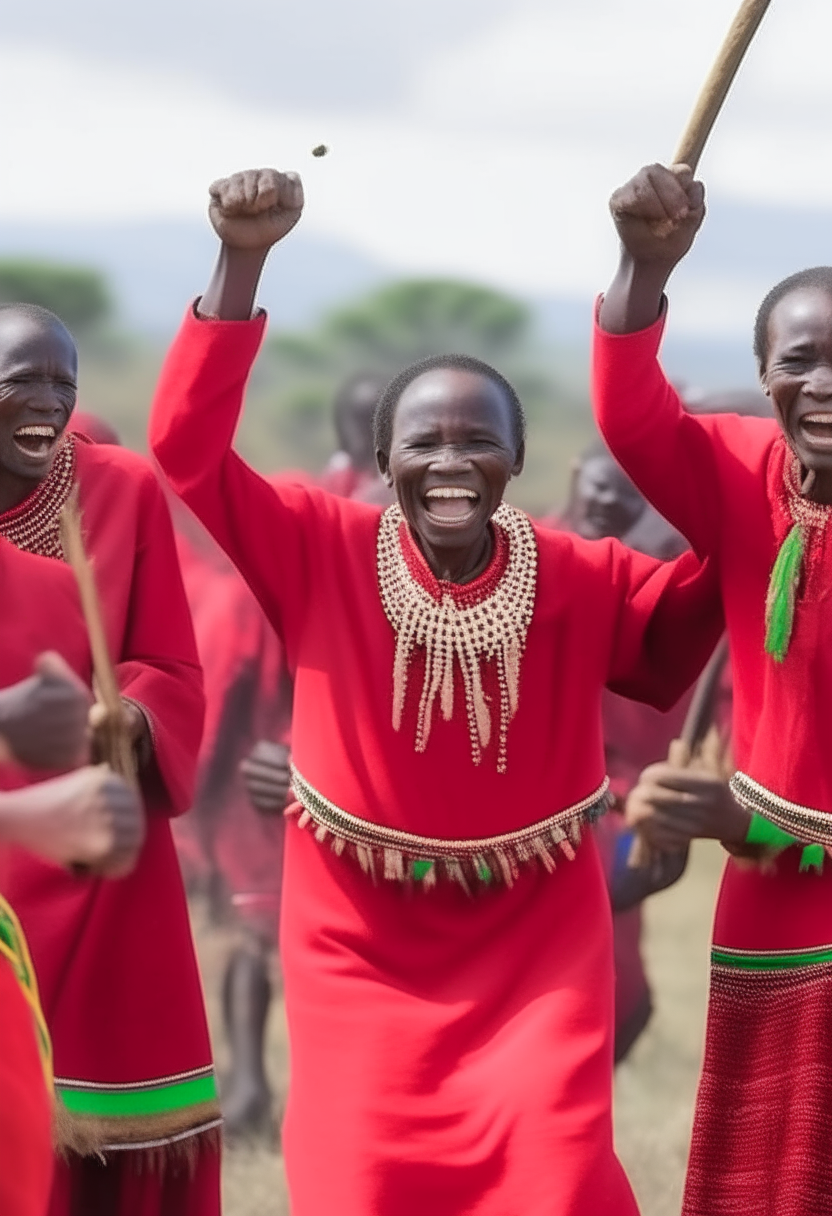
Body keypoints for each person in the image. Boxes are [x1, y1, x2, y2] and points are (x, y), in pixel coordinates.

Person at [149, 166, 724, 1216]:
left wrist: (746, 523)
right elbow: (186, 451)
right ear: (382, 458)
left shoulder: (575, 571)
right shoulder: (317, 545)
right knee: (361, 1186)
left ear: (515, 458)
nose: (451, 461)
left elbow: (672, 643)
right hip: (355, 942)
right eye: (425, 441)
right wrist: (240, 261)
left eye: (477, 440)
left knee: (550, 1179)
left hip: (536, 948)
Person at [593, 161, 832, 1215]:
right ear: (762, 373)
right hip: (768, 902)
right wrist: (644, 267)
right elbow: (636, 419)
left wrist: (755, 818)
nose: (824, 384)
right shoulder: (742, 473)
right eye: (801, 360)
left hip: (772, 847)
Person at [0, 302, 214, 1215]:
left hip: (100, 834)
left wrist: (128, 714)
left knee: (99, 1136)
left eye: (64, 384)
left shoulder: (119, 487)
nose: (47, 403)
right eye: (22, 383)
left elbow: (171, 663)